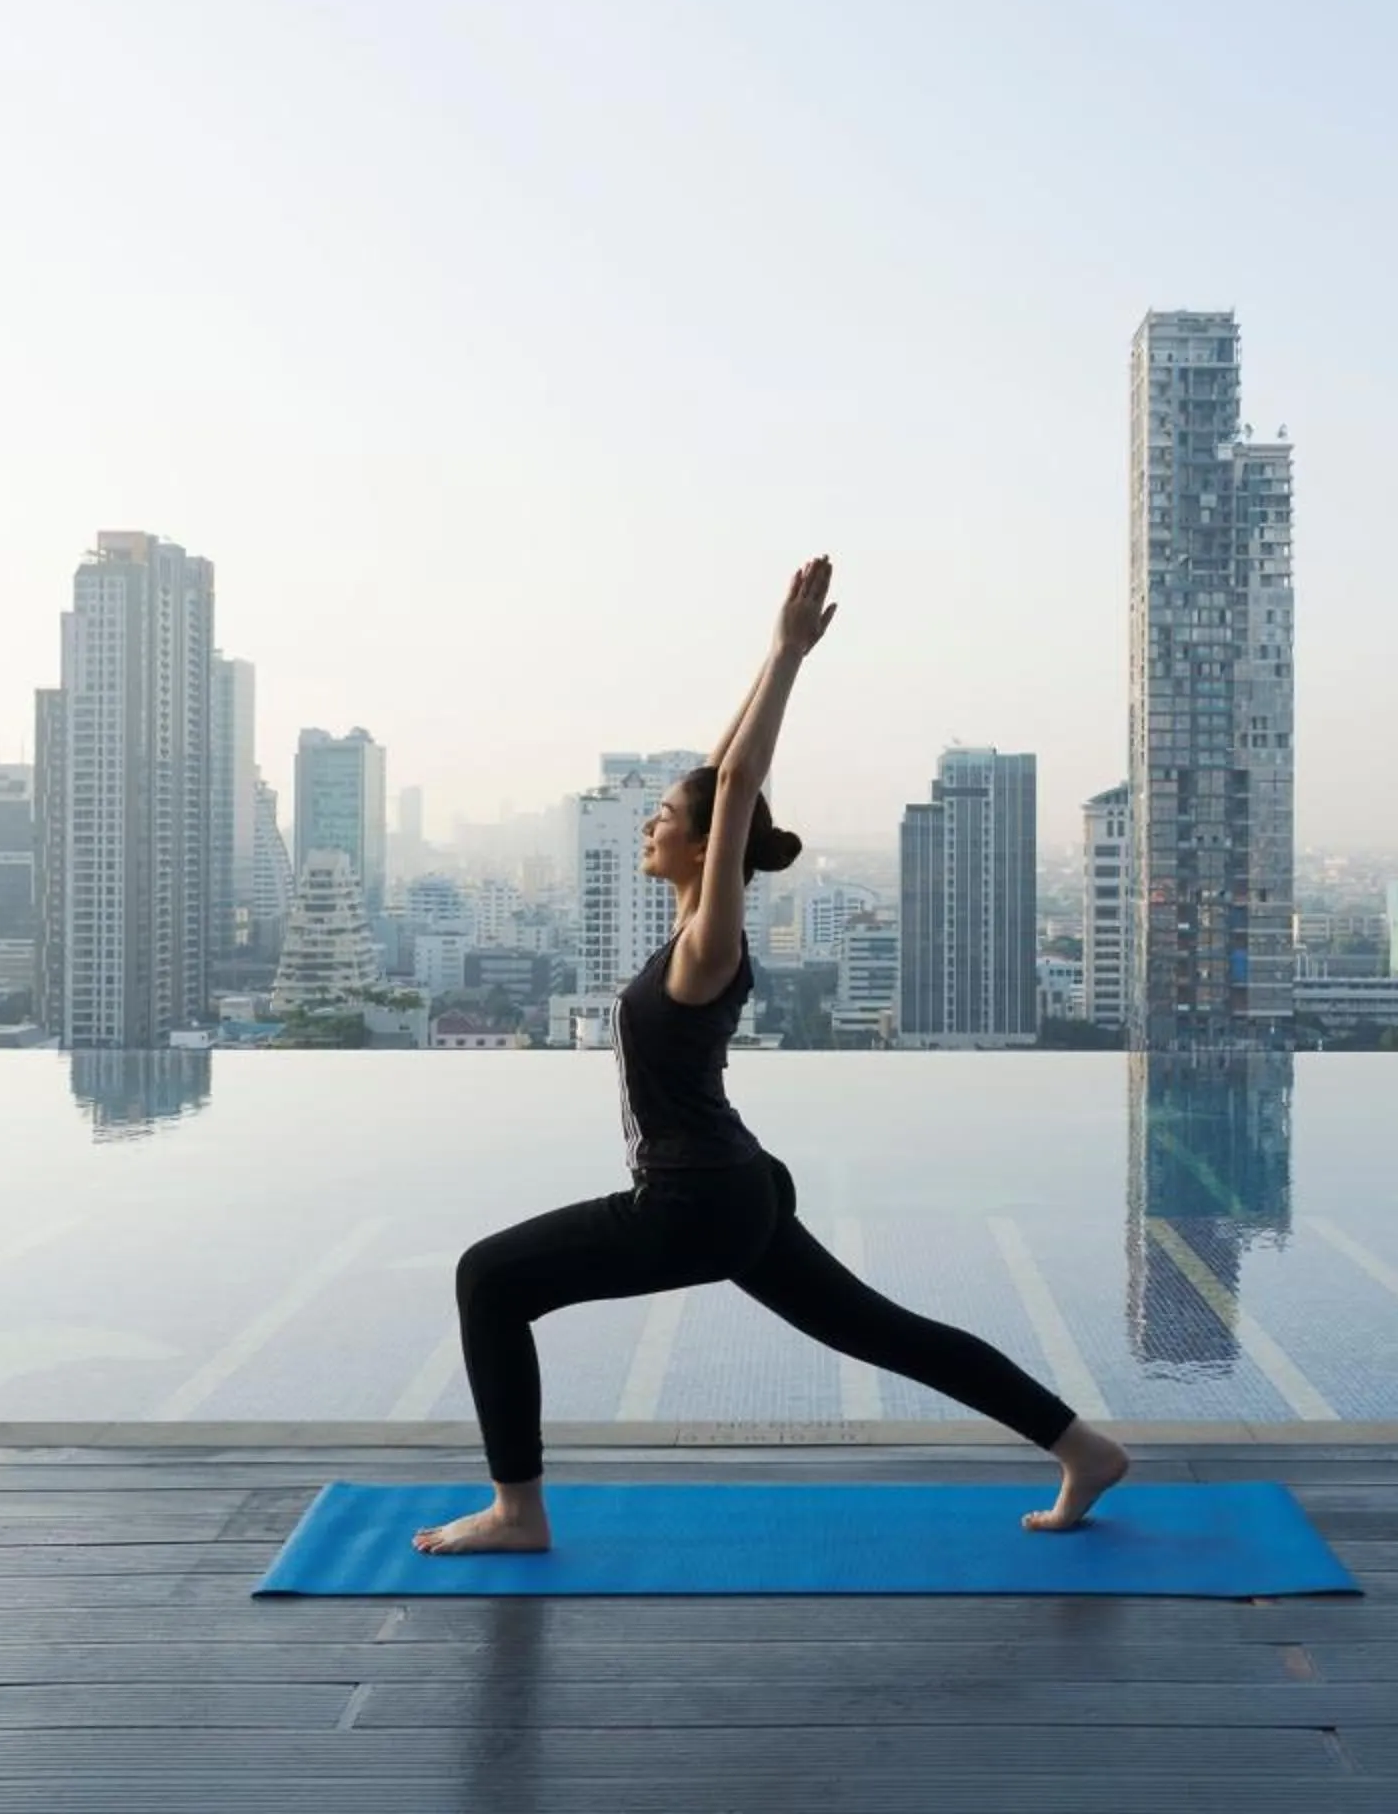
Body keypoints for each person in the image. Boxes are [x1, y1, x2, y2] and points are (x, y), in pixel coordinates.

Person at [414, 556, 1130, 1554]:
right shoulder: (686, 927)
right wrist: (761, 663)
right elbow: (721, 776)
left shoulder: (710, 947)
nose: (650, 821)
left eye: (663, 816)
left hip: (694, 1202)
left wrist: (789, 655)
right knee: (888, 1332)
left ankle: (516, 1511)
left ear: (704, 844)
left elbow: (734, 786)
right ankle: (1083, 1446)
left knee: (487, 1278)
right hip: (739, 1187)